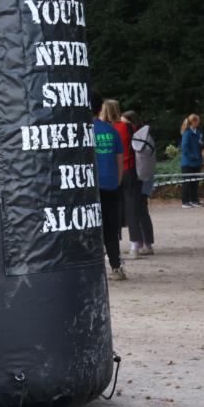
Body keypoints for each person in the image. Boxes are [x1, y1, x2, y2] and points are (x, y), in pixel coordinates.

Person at [101, 99, 143, 258]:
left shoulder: (104, 129)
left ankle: (112, 247)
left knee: (112, 211)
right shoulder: (127, 127)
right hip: (129, 170)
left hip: (111, 172)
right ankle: (134, 246)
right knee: (131, 209)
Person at [93, 94, 126, 280]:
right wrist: (117, 181)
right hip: (111, 186)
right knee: (111, 229)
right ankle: (116, 266)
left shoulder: (83, 131)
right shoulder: (112, 131)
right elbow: (119, 161)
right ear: (100, 109)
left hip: (90, 189)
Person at [122, 110, 155, 255]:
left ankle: (140, 243)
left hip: (136, 176)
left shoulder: (134, 137)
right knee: (143, 210)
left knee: (136, 210)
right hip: (146, 175)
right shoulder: (146, 135)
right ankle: (148, 243)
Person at [179, 114, 204, 208]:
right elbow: (184, 148)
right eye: (198, 121)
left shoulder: (198, 132)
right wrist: (193, 156)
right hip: (188, 163)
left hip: (196, 162)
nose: (199, 122)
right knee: (187, 182)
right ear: (193, 121)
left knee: (195, 182)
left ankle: (194, 200)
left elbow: (200, 144)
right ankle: (185, 201)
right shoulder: (187, 133)